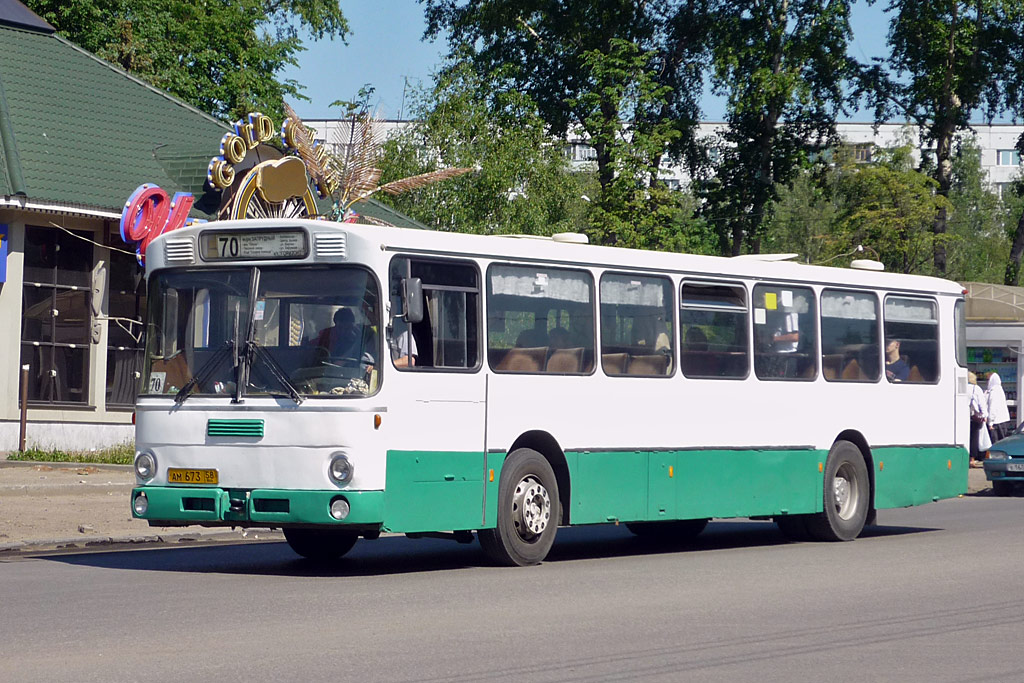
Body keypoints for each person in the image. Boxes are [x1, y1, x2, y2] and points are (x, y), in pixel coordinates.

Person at [985, 371, 1013, 442]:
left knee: (995, 443)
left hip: (997, 422)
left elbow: (993, 407)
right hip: (1002, 421)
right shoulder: (999, 389)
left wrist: (990, 422)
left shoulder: (994, 391)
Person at [968, 371, 988, 466]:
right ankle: (972, 459)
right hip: (974, 417)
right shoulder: (976, 389)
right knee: (974, 438)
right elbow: (982, 403)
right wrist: (984, 415)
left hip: (962, 417)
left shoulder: (960, 386)